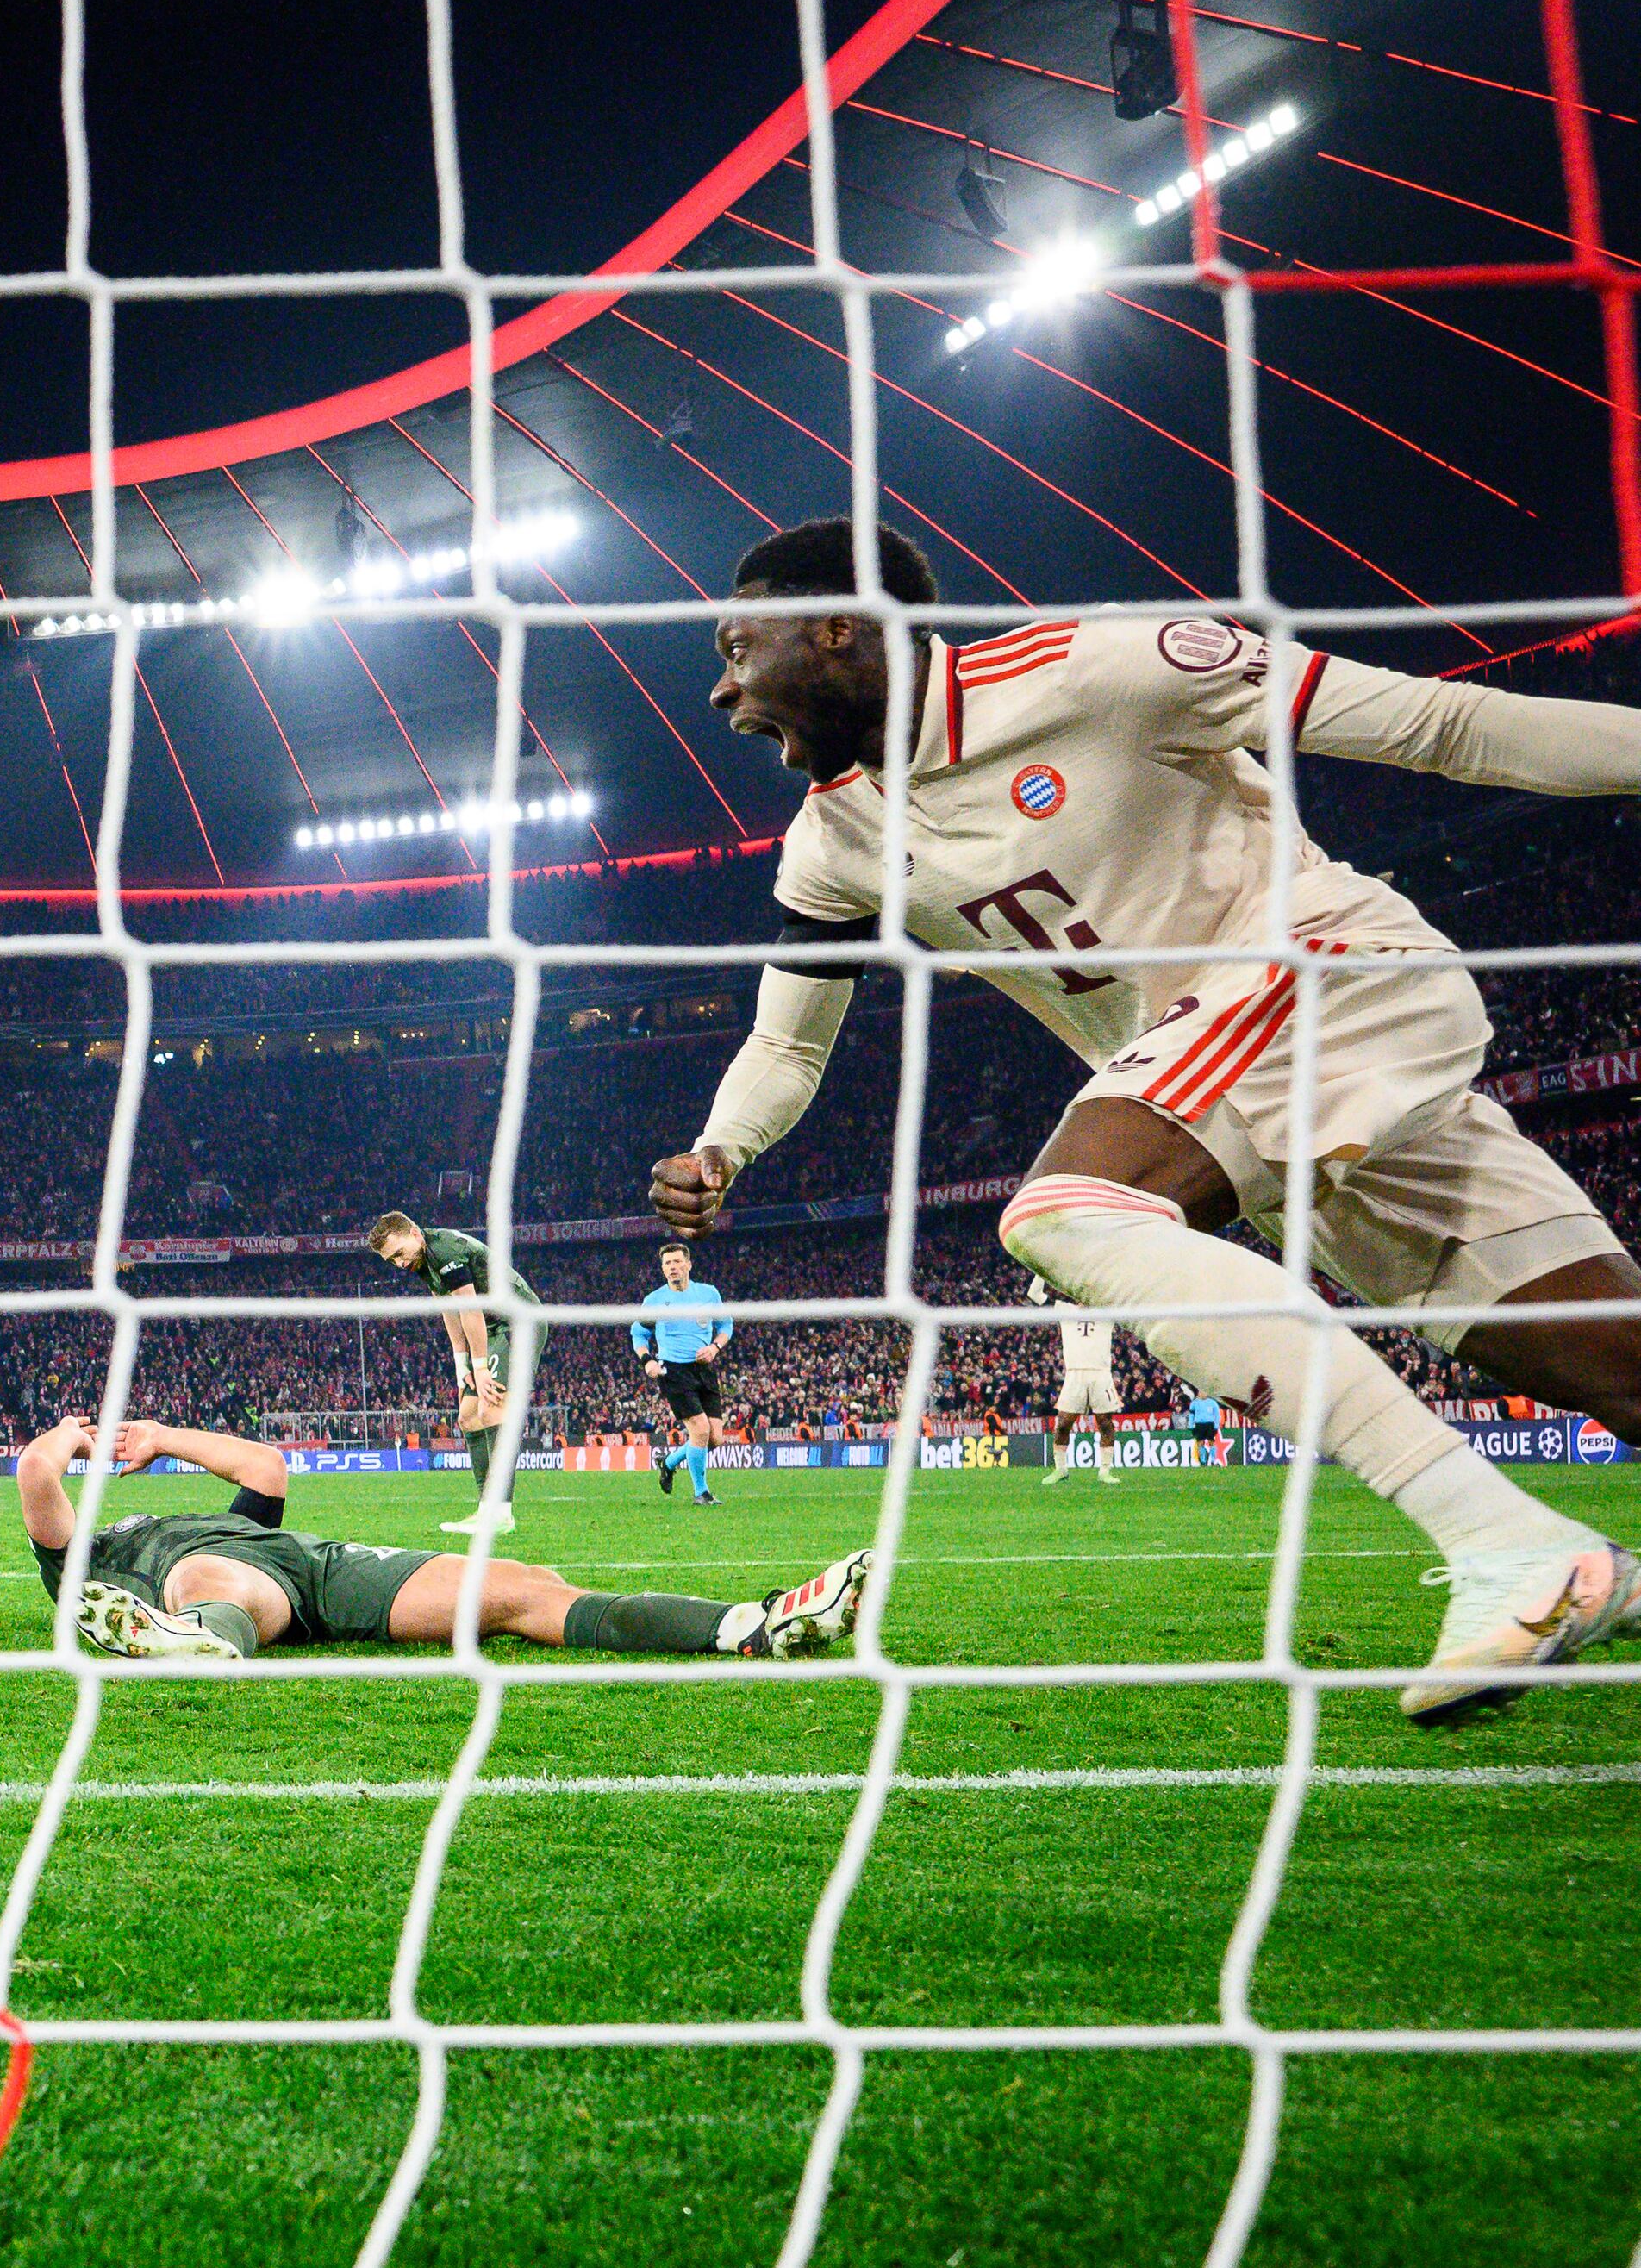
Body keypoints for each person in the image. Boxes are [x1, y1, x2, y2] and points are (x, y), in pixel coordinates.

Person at [656, 514, 1641, 1721]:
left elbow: (1445, 724)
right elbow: (783, 1041)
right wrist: (723, 1144)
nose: (719, 688)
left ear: (837, 629)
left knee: (1070, 1214)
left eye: (733, 646)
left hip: (1325, 975)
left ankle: (1506, 1540)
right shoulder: (832, 845)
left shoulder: (1104, 668)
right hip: (1249, 1094)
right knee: (1616, 1362)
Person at [16, 1411, 869, 1663]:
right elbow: (34, 1476)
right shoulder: (81, 1560)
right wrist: (69, 1432)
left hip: (317, 1568)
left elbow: (266, 1469)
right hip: (207, 1585)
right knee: (228, 1591)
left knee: (519, 1583)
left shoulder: (216, 1520)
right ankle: (198, 1643)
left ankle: (750, 1628)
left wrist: (161, 1436)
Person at [367, 1210, 536, 1540]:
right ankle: (487, 1510)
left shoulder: (444, 1251)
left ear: (414, 1233)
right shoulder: (424, 1262)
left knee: (492, 1407)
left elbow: (470, 1308)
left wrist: (482, 1368)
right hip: (490, 1326)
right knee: (469, 1417)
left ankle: (500, 1513)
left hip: (516, 1321)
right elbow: (449, 1311)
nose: (399, 1264)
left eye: (399, 1254)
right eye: (391, 1261)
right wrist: (463, 1366)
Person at [633, 1240, 731, 1503]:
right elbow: (638, 1332)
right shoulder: (655, 1300)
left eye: (677, 1261)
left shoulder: (708, 1294)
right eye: (667, 1263)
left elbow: (725, 1324)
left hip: (703, 1368)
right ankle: (702, 1493)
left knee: (715, 1439)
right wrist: (647, 1361)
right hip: (673, 1371)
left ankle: (669, 1461)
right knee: (699, 1430)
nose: (673, 1267)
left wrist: (715, 1347)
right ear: (663, 1269)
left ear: (688, 1264)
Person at [1039, 1277, 1124, 1485]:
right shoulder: (1066, 1310)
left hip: (1101, 1373)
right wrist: (1039, 1269)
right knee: (1063, 1423)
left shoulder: (1107, 1312)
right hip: (1075, 1374)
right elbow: (1035, 1296)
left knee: (1105, 1423)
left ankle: (1105, 1471)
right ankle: (1060, 1470)